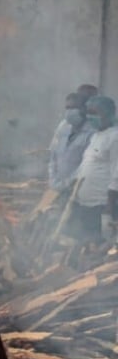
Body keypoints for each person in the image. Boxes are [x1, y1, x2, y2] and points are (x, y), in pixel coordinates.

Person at [71, 95, 118, 246]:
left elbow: (116, 174)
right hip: (85, 204)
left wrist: (109, 209)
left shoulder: (115, 137)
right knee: (85, 244)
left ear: (108, 114)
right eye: (89, 113)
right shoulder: (96, 136)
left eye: (95, 113)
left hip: (101, 206)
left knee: (98, 246)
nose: (90, 117)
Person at [48, 93, 94, 192]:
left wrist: (68, 183)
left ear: (84, 109)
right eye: (67, 108)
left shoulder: (93, 132)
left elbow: (87, 165)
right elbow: (53, 156)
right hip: (58, 187)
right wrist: (53, 180)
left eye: (74, 108)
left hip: (80, 189)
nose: (69, 112)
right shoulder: (63, 126)